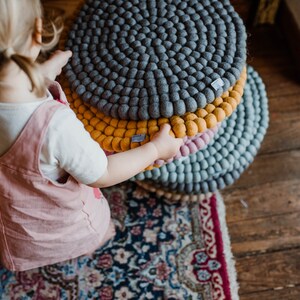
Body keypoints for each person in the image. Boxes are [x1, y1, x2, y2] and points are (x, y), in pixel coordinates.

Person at [0, 0, 183, 272]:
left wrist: (42, 74)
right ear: (38, 33)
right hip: (58, 229)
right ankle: (94, 240)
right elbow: (103, 172)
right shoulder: (55, 127)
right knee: (94, 226)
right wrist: (155, 150)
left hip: (15, 232)